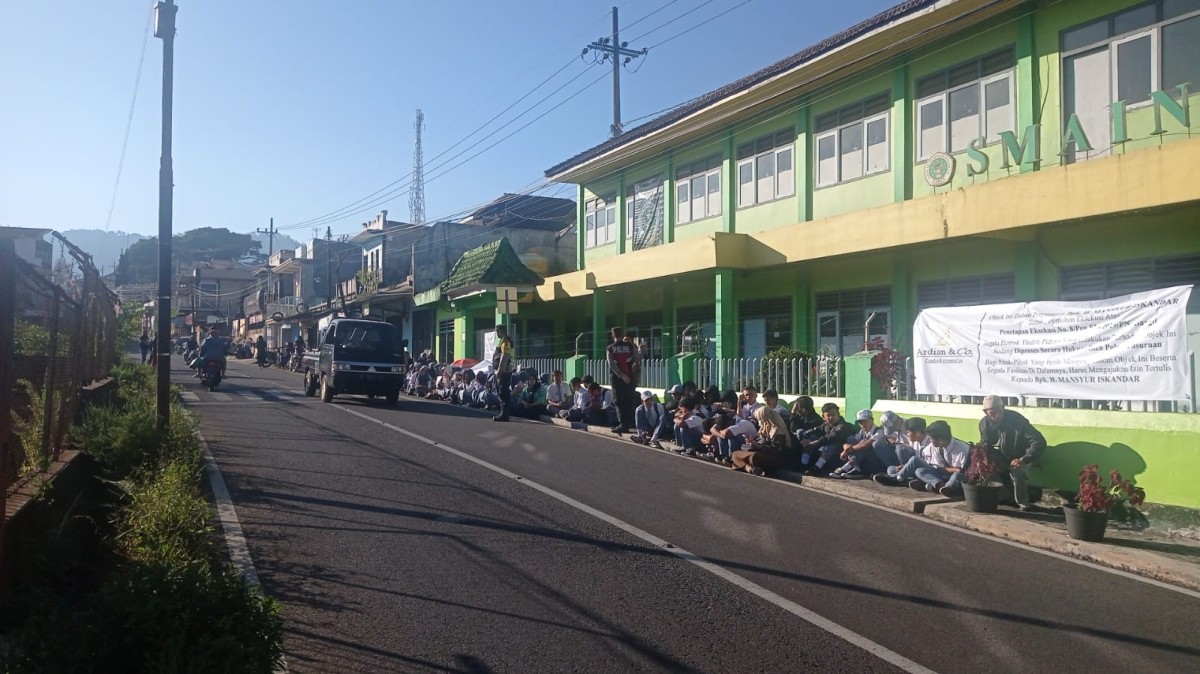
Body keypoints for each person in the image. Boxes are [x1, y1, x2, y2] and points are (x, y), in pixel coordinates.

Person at [979, 395, 1046, 510]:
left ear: (1003, 407)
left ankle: (1023, 503)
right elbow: (985, 444)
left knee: (1017, 471)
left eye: (1000, 411)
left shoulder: (1017, 420)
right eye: (993, 413)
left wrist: (1023, 459)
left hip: (1023, 456)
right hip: (1002, 458)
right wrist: (985, 459)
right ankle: (1006, 497)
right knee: (984, 469)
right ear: (986, 412)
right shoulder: (984, 424)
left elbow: (1039, 441)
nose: (997, 415)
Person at [873, 417, 939, 487]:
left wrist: (908, 467)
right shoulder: (914, 441)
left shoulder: (932, 442)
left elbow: (932, 465)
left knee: (915, 460)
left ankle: (895, 479)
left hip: (928, 470)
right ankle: (906, 479)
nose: (907, 435)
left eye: (908, 432)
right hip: (914, 469)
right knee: (891, 469)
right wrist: (904, 467)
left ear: (917, 434)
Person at [796, 402, 854, 474]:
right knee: (812, 436)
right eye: (828, 415)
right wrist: (804, 436)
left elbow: (831, 437)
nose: (831, 417)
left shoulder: (843, 426)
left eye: (833, 415)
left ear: (838, 414)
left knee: (833, 444)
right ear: (823, 417)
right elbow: (816, 430)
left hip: (840, 456)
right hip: (826, 454)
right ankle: (804, 463)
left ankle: (817, 467)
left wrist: (813, 443)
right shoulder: (826, 425)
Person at [915, 420, 970, 495]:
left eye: (931, 439)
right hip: (944, 475)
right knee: (920, 471)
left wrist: (951, 470)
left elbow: (963, 472)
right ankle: (942, 487)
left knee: (956, 476)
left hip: (958, 478)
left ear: (940, 440)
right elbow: (939, 467)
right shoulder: (937, 448)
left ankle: (938, 487)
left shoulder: (962, 449)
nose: (930, 441)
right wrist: (952, 469)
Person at [731, 406, 790, 476]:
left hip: (773, 457)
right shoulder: (763, 428)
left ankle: (743, 465)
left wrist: (759, 446)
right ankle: (747, 467)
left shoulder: (778, 431)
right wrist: (752, 443)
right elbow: (757, 440)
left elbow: (775, 449)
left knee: (754, 456)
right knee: (735, 454)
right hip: (758, 451)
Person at [829, 409, 887, 479]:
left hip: (875, 461)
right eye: (860, 421)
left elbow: (866, 444)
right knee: (851, 439)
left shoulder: (879, 431)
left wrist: (847, 450)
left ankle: (848, 467)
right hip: (863, 459)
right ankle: (855, 468)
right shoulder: (862, 431)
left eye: (864, 420)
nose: (862, 423)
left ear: (871, 419)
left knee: (864, 442)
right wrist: (846, 446)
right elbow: (851, 441)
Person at [607, 327, 640, 434]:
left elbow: (611, 364)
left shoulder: (610, 348)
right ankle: (630, 422)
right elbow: (637, 359)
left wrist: (621, 375)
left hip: (617, 378)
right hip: (630, 377)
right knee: (629, 399)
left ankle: (623, 424)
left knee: (619, 400)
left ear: (613, 336)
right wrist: (629, 374)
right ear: (622, 335)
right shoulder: (630, 346)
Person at [491, 325, 515, 422]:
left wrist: (500, 370)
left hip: (503, 371)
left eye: (498, 331)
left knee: (503, 392)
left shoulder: (505, 341)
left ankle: (504, 414)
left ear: (502, 331)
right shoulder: (502, 341)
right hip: (503, 371)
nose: (497, 334)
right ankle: (503, 413)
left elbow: (504, 356)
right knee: (501, 392)